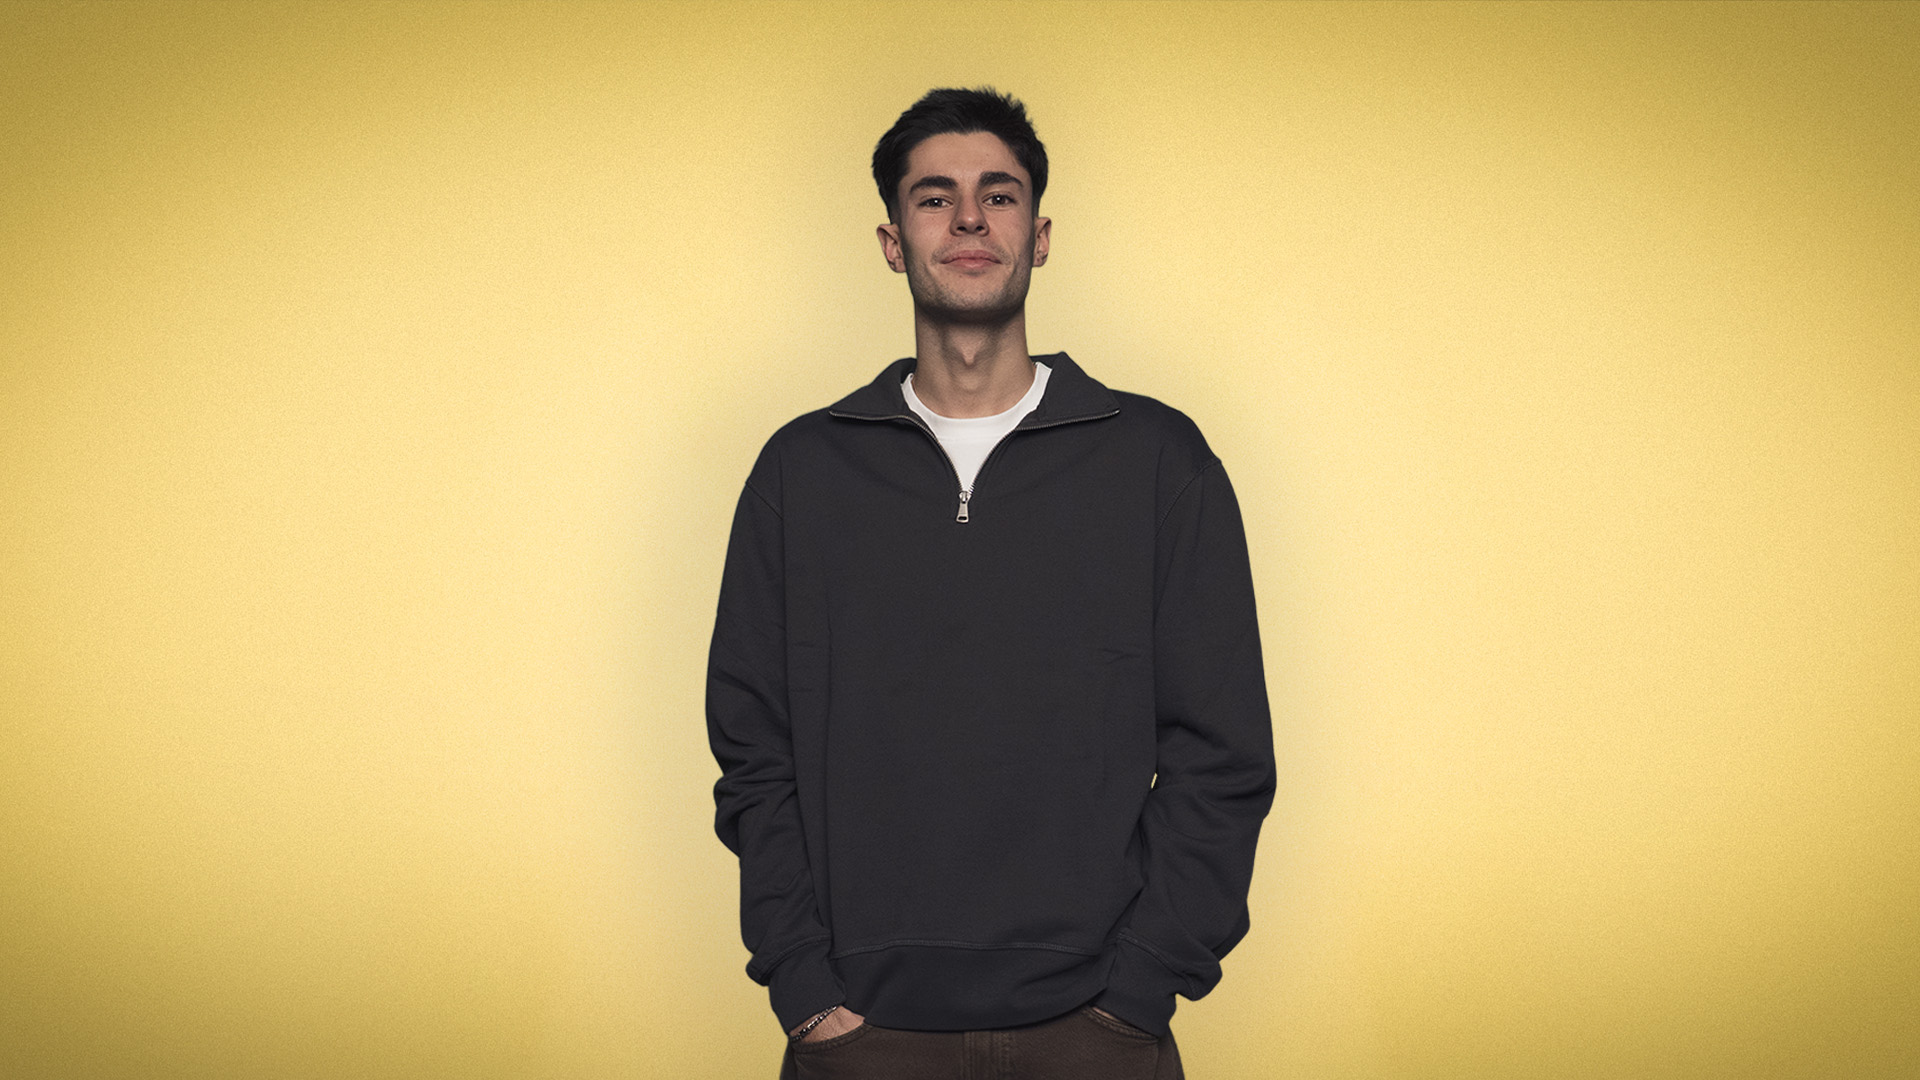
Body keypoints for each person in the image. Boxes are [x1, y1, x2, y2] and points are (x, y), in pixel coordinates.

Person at [707, 87, 1275, 1080]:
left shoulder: (1156, 461)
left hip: (1096, 1036)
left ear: (1039, 236)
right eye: (935, 197)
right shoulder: (802, 471)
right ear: (893, 242)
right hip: (859, 1037)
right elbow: (755, 751)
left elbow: (1222, 754)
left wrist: (1141, 990)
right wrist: (805, 992)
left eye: (998, 195)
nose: (969, 218)